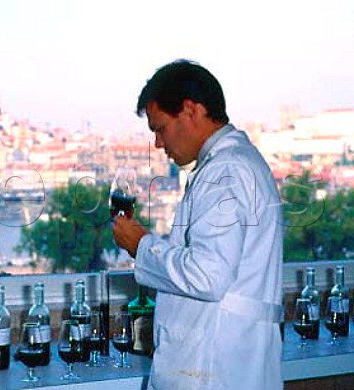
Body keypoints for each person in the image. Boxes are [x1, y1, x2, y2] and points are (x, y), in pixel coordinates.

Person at [112, 59, 283, 390]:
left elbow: (208, 275)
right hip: (230, 361)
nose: (159, 144)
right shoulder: (236, 163)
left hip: (214, 368)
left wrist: (140, 246)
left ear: (190, 111)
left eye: (160, 128)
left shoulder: (226, 172)